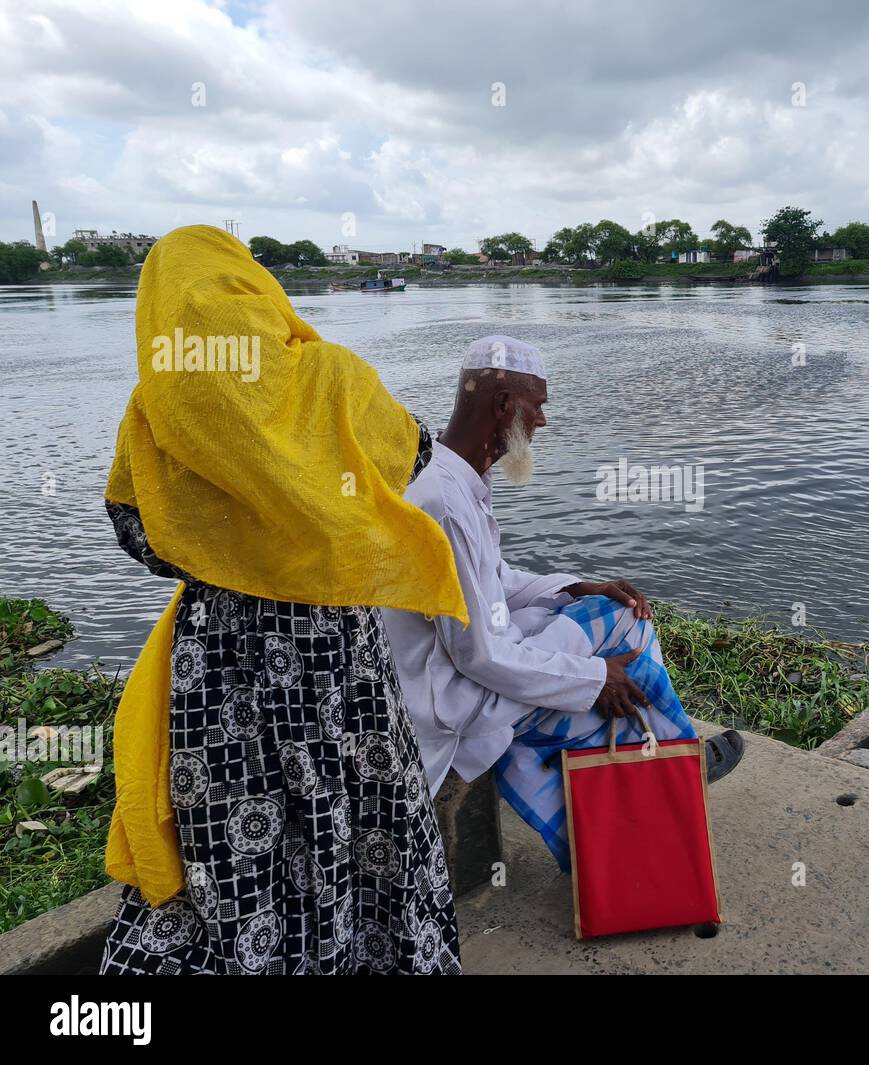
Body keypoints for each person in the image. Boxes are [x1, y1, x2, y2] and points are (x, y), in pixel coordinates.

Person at [99, 225, 467, 974]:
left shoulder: (155, 406)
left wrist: (231, 545)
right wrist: (307, 515)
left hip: (218, 665)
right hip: (335, 655)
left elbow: (138, 536)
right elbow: (415, 455)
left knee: (236, 839)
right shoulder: (330, 377)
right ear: (255, 290)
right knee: (363, 815)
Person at [382, 336, 743, 871]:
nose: (542, 421)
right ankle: (669, 761)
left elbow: (496, 581)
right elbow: (478, 656)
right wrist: (595, 677)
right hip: (451, 697)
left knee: (603, 612)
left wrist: (575, 587)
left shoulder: (449, 479)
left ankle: (651, 763)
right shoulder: (445, 503)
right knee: (626, 626)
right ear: (503, 405)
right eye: (538, 405)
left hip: (458, 672)